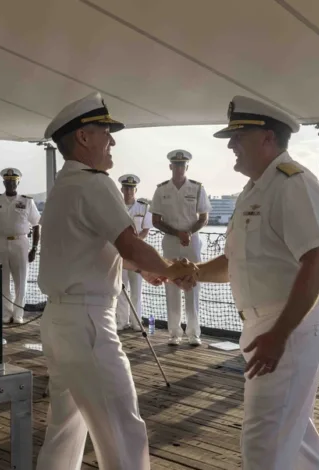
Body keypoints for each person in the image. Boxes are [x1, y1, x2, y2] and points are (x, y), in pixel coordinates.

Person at [35, 92, 197, 470]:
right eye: (105, 132)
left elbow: (95, 251)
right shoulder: (94, 183)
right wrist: (171, 269)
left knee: (65, 428)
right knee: (123, 427)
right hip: (89, 322)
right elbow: (130, 244)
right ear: (83, 138)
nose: (112, 141)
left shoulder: (62, 186)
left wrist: (148, 268)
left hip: (59, 319)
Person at [187, 95, 319, 469]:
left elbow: (317, 265)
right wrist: (192, 272)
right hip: (262, 325)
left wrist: (279, 334)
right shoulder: (254, 191)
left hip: (288, 326)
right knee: (295, 439)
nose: (232, 145)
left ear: (267, 138)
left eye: (238, 136)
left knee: (263, 446)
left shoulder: (293, 184)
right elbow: (237, 263)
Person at [150, 149, 211, 346]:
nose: (178, 168)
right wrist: (178, 233)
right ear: (170, 166)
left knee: (193, 284)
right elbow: (156, 220)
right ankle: (174, 333)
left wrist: (188, 233)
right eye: (175, 165)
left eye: (182, 165)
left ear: (187, 167)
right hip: (170, 241)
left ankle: (194, 333)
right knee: (171, 285)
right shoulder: (161, 190)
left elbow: (204, 217)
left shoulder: (197, 188)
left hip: (192, 241)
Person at [0, 168, 41, 324]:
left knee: (21, 280)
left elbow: (36, 225)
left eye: (13, 181)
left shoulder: (27, 201)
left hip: (20, 242)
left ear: (18, 182)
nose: (10, 184)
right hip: (1, 241)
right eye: (8, 181)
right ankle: (6, 313)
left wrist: (34, 248)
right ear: (4, 182)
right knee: (3, 280)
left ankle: (18, 314)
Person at [114, 173, 153, 331]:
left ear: (135, 189)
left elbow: (145, 230)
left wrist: (136, 243)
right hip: (120, 252)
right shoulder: (115, 206)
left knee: (137, 289)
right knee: (121, 288)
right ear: (122, 189)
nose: (129, 191)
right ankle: (121, 321)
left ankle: (136, 322)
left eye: (131, 188)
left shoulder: (143, 207)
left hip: (137, 253)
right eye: (126, 188)